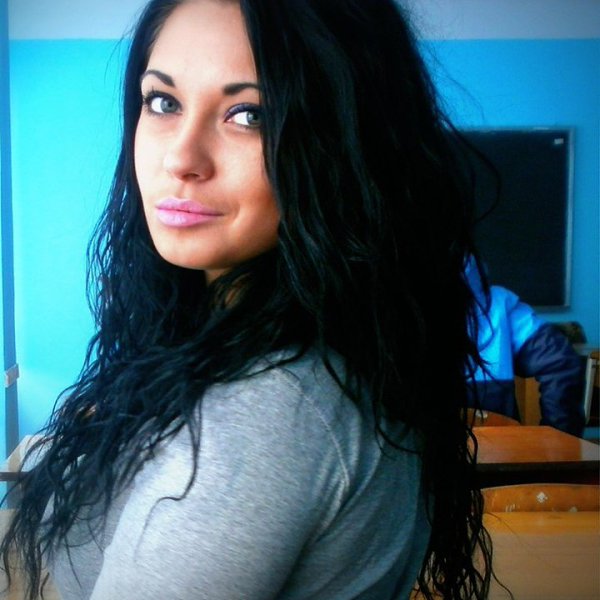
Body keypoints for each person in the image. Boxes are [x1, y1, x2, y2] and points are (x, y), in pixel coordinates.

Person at [1, 1, 493, 599]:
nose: (181, 159)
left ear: (346, 142)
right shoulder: (232, 342)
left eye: (248, 114)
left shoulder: (268, 412)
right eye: (163, 102)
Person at [466, 260, 585, 436]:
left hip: (492, 446)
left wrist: (558, 441)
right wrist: (558, 442)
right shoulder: (495, 304)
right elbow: (560, 362)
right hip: (497, 447)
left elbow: (559, 362)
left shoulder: (496, 306)